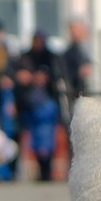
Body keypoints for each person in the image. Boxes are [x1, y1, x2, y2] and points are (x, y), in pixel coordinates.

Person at [14, 31, 62, 183]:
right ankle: (38, 171)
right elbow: (17, 77)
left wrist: (48, 79)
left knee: (45, 138)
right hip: (29, 105)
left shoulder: (51, 58)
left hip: (46, 104)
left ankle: (46, 171)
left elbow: (59, 76)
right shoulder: (25, 58)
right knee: (33, 139)